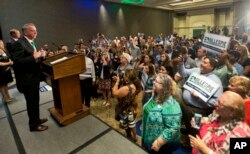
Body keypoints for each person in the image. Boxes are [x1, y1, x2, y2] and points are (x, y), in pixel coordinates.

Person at [11, 23, 48, 132]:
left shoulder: (31, 42)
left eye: (36, 30)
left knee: (35, 101)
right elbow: (17, 62)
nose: (36, 32)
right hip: (27, 79)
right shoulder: (19, 43)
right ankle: (33, 125)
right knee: (31, 103)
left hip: (34, 78)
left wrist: (41, 55)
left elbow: (33, 58)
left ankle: (36, 119)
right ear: (26, 32)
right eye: (33, 31)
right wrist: (34, 56)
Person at [142, 73, 182, 154]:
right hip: (149, 137)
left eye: (156, 81)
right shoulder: (156, 95)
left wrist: (159, 142)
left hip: (161, 146)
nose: (153, 82)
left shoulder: (171, 105)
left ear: (164, 86)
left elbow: (173, 128)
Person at [112, 69, 141, 142]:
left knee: (127, 123)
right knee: (131, 123)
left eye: (125, 75)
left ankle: (131, 137)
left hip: (126, 109)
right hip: (132, 107)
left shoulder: (127, 88)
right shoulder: (135, 84)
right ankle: (134, 137)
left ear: (128, 76)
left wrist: (117, 82)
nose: (123, 76)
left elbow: (115, 93)